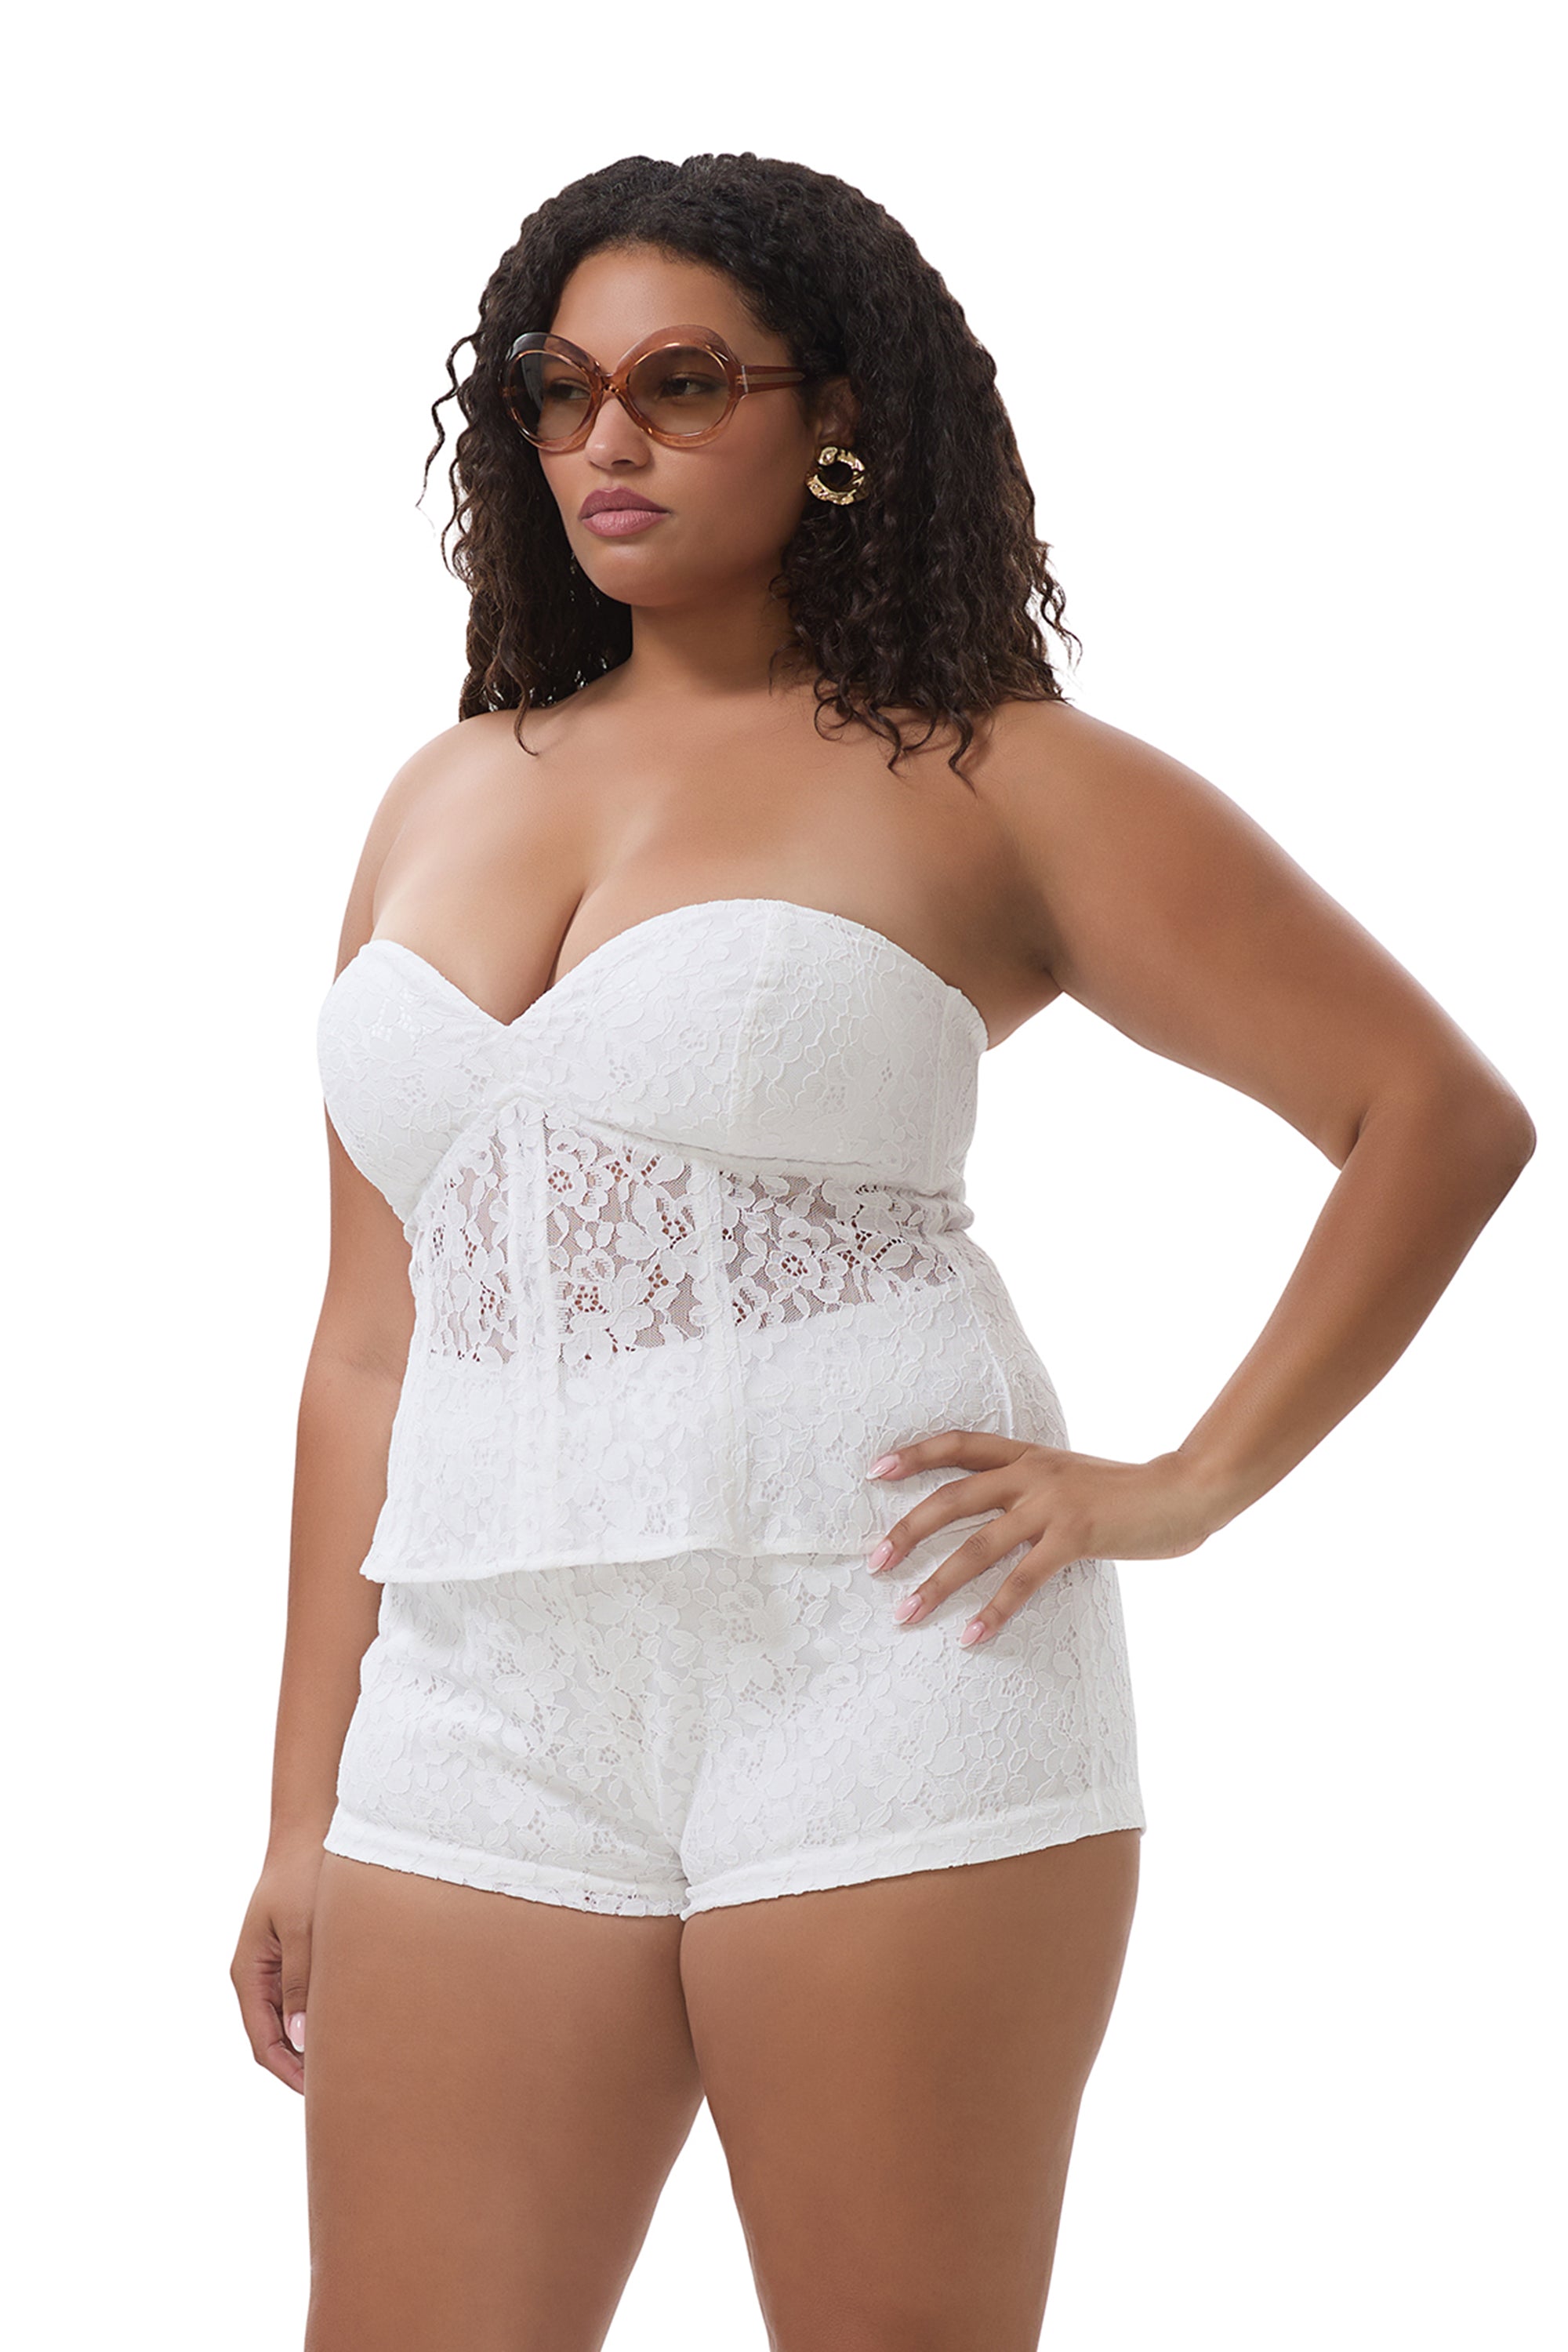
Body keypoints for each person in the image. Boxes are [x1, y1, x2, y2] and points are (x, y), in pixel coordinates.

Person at [229, 152, 1535, 2351]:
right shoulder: (440, 793)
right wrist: (301, 1810)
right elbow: (370, 1344)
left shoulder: (989, 771)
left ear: (835, 418)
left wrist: (1185, 1486)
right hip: (482, 1700)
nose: (608, 438)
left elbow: (1432, 1115)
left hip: (886, 1655)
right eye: (556, 389)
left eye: (681, 383)